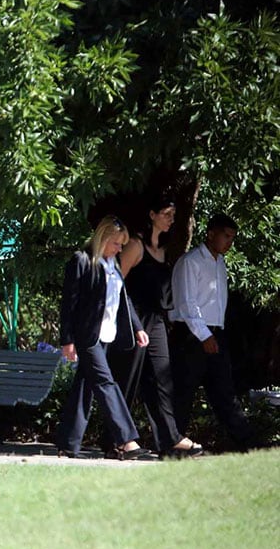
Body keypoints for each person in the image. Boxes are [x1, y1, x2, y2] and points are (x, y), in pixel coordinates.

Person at [112, 196, 203, 458]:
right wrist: (128, 321)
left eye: (173, 215)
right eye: (166, 213)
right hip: (133, 318)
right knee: (128, 379)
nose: (171, 219)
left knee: (162, 379)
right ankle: (118, 439)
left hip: (156, 320)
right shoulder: (135, 246)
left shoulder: (163, 250)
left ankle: (170, 439)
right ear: (151, 214)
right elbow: (117, 283)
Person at [55, 216, 151, 459]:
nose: (120, 249)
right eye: (117, 243)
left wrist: (137, 327)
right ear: (104, 238)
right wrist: (67, 339)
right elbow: (69, 303)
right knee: (106, 383)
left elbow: (123, 298)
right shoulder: (82, 261)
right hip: (87, 336)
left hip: (108, 335)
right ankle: (126, 439)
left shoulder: (113, 264)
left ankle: (68, 443)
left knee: (85, 387)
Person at [169, 212, 255, 451]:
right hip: (191, 334)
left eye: (233, 238)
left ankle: (247, 443)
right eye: (226, 236)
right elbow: (187, 302)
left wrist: (215, 333)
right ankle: (173, 442)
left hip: (215, 332)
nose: (229, 242)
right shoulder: (191, 261)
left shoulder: (220, 263)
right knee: (184, 391)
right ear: (210, 234)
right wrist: (203, 334)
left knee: (224, 390)